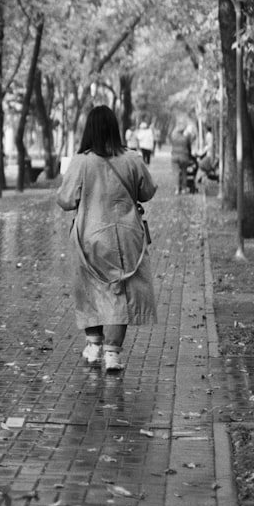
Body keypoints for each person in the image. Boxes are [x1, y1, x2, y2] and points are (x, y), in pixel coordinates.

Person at [56, 106, 157, 371]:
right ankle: (113, 353)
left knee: (91, 289)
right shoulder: (132, 159)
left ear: (88, 130)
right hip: (126, 238)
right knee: (119, 292)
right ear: (115, 127)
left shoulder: (81, 162)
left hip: (89, 236)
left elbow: (66, 201)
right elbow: (147, 191)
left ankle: (94, 347)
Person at [169, 122, 195, 194]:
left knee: (176, 173)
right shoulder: (186, 138)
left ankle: (177, 189)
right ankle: (183, 189)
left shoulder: (173, 137)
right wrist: (190, 156)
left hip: (175, 157)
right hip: (184, 157)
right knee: (184, 172)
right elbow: (189, 147)